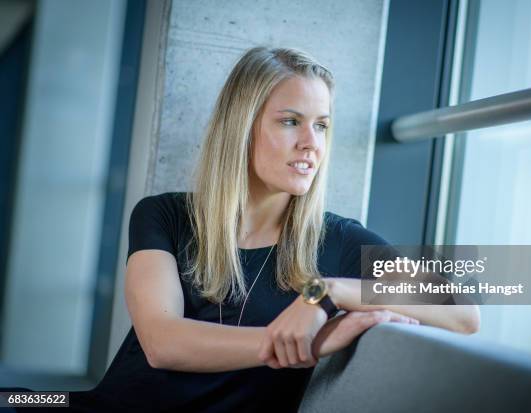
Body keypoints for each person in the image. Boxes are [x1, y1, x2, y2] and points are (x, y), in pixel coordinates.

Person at [61, 46, 478, 412]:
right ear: (242, 128)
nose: (311, 143)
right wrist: (300, 346)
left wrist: (326, 292)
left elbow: (462, 309)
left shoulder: (340, 243)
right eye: (290, 121)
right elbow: (162, 342)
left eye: (322, 125)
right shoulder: (164, 215)